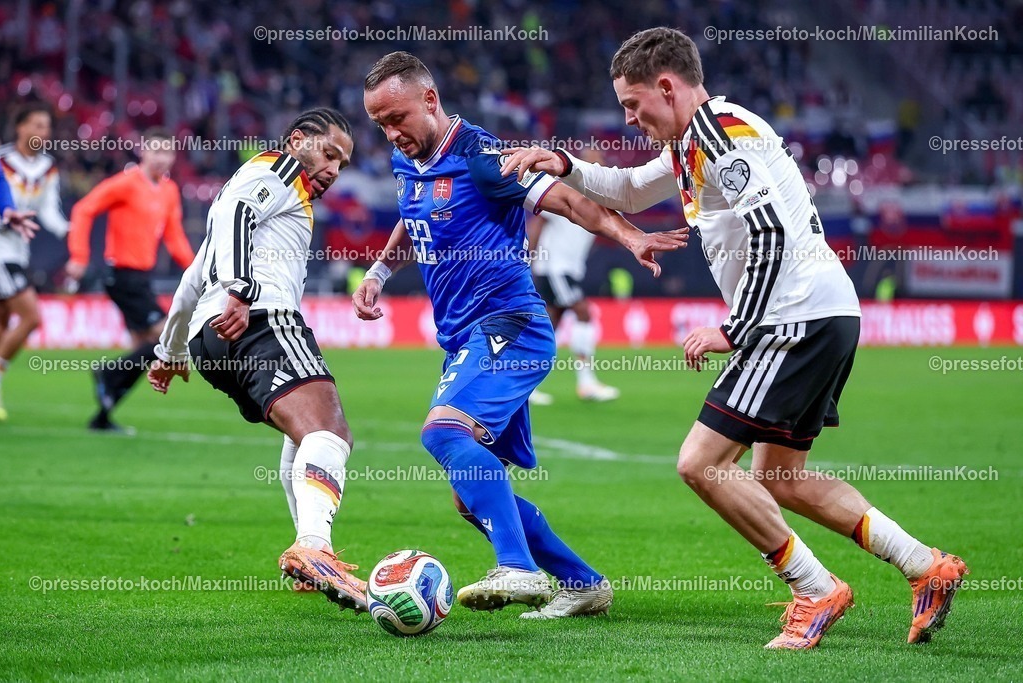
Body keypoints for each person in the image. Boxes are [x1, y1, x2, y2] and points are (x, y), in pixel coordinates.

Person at [499, 27, 967, 649]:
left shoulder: (721, 131)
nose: (632, 118)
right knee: (781, 478)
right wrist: (563, 163)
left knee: (701, 464)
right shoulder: (694, 142)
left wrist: (734, 327)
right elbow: (632, 189)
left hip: (792, 316)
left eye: (635, 104)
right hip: (820, 312)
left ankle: (815, 589)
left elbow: (770, 231)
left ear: (668, 87)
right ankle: (924, 566)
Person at [356, 51, 687, 619]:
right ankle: (583, 584)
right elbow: (415, 215)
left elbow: (566, 200)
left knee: (442, 433)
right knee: (473, 498)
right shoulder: (405, 156)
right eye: (379, 123)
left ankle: (519, 569)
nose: (390, 132)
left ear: (430, 101)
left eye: (397, 118)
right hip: (466, 340)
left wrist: (629, 236)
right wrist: (380, 272)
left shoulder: (482, 156)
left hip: (511, 326)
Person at [146, 108, 367, 612]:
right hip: (258, 318)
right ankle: (315, 546)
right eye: (329, 153)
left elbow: (189, 282)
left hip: (211, 341)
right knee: (329, 433)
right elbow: (237, 214)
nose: (334, 168)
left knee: (304, 431)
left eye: (343, 162)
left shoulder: (261, 190)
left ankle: (313, 556)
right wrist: (243, 292)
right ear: (298, 141)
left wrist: (170, 350)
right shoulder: (277, 170)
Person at [67, 128, 195, 432]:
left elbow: (174, 236)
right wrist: (79, 256)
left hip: (142, 277)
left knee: (143, 352)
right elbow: (83, 209)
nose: (162, 158)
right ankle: (107, 373)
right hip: (120, 274)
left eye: (168, 152)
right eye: (157, 151)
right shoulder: (126, 183)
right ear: (143, 152)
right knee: (163, 336)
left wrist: (196, 271)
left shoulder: (169, 191)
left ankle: (103, 414)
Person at [529, 148, 619, 405]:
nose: (599, 165)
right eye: (594, 161)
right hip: (555, 268)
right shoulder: (564, 191)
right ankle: (587, 383)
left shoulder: (599, 196)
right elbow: (538, 223)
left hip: (565, 268)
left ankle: (524, 385)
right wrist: (527, 257)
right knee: (584, 314)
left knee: (549, 327)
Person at [0, 103, 70, 421]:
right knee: (31, 317)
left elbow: (49, 211)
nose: (44, 132)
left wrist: (70, 230)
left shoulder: (47, 167)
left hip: (19, 252)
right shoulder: (2, 161)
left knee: (2, 324)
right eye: (38, 125)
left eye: (47, 127)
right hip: (1, 250)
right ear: (20, 127)